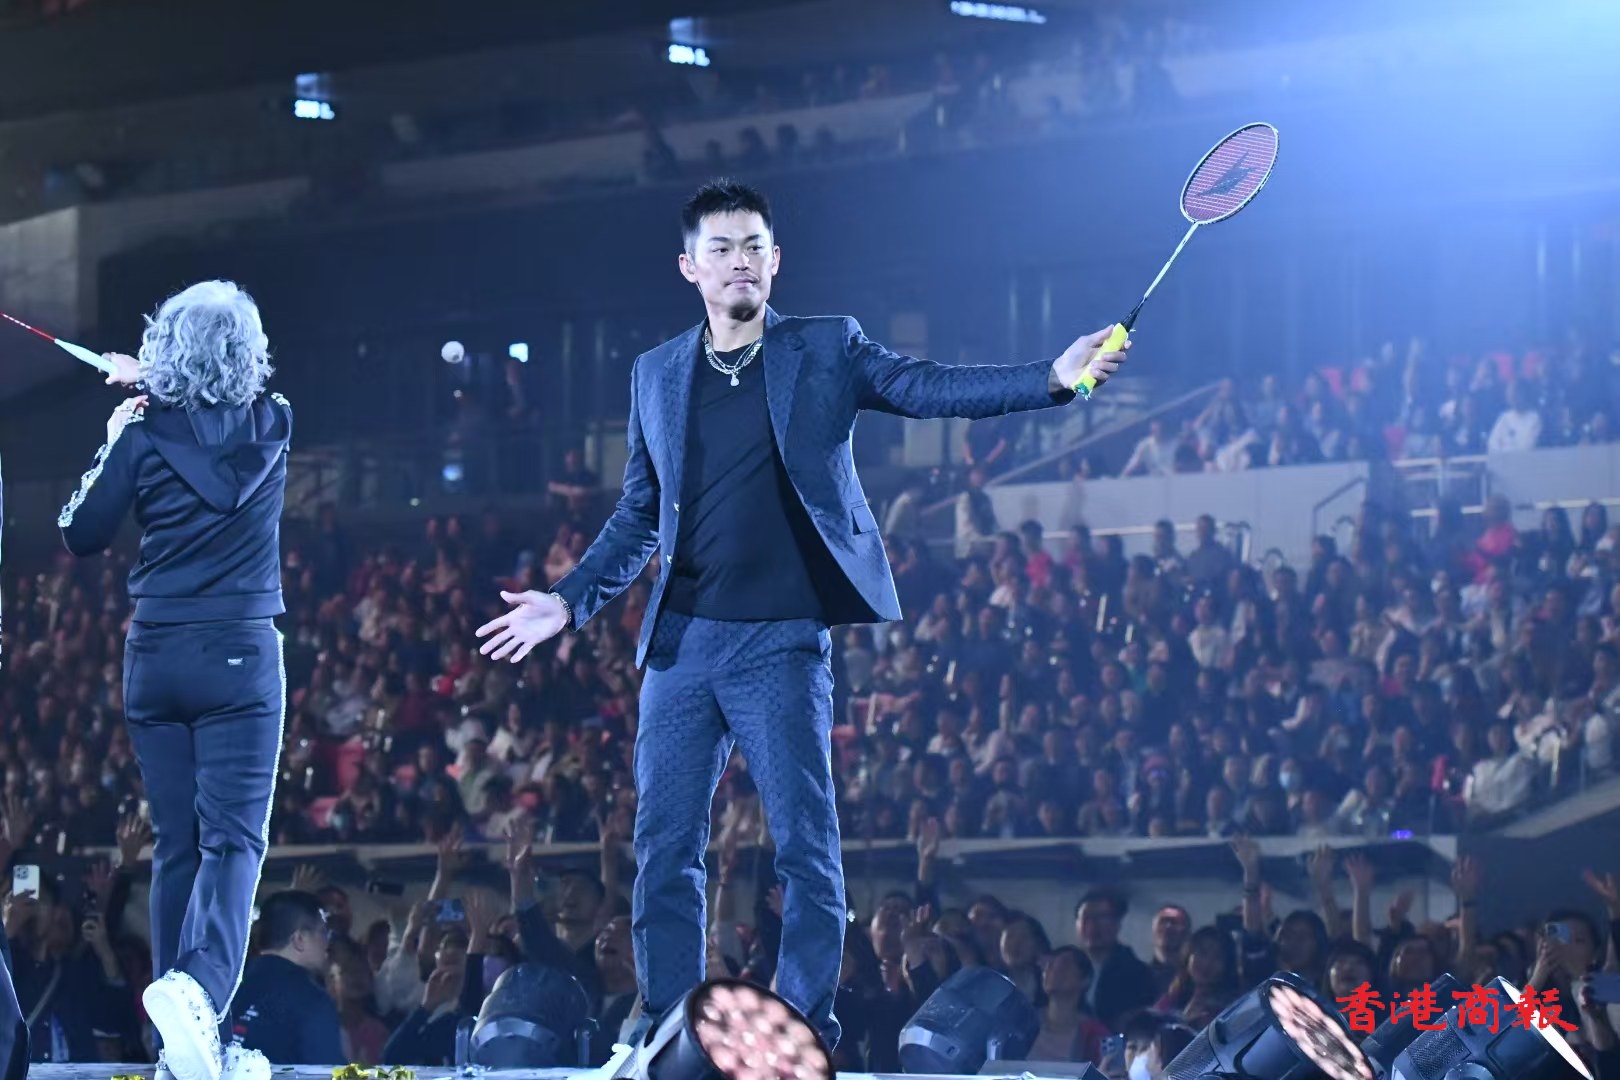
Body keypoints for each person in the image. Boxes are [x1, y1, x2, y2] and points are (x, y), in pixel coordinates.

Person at [475, 178, 1128, 1049]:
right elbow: (639, 515)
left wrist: (1050, 377)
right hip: (681, 647)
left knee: (805, 847)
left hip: (780, 643)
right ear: (690, 268)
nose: (739, 260)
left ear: (775, 260)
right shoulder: (655, 373)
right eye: (721, 248)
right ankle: (671, 1029)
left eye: (754, 246)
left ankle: (801, 1026)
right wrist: (567, 601)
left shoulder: (825, 347)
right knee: (665, 848)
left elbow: (928, 387)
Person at [57, 280, 292, 1080]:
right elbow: (217, 417)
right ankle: (198, 995)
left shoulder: (140, 433)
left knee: (178, 847)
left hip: (157, 657)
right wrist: (154, 391)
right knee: (234, 841)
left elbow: (80, 532)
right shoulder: (275, 422)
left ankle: (176, 1045)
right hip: (239, 658)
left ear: (165, 354)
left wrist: (124, 423)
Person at [228, 891, 343, 1066]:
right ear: (299, 939)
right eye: (322, 932)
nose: (327, 942)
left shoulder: (229, 989)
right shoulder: (310, 1001)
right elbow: (327, 1071)